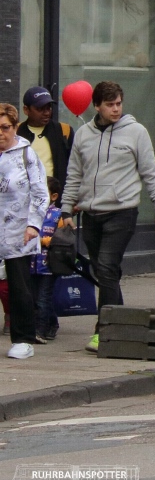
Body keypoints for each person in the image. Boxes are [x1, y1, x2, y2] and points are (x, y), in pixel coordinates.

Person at [62, 81, 155, 354]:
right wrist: (66, 208)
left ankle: (104, 331)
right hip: (91, 214)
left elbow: (150, 171)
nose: (116, 109)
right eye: (110, 105)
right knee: (104, 273)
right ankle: (123, 326)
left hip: (122, 212)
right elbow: (74, 174)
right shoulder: (83, 135)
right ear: (97, 106)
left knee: (107, 268)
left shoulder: (136, 132)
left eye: (119, 103)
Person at [0, 102, 50, 360]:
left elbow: (41, 194)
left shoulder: (26, 154)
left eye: (5, 127)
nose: (0, 133)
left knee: (19, 287)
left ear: (14, 127)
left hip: (18, 231)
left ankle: (23, 338)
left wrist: (33, 224)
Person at [18, 86, 74, 187]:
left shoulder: (64, 131)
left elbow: (75, 167)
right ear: (26, 110)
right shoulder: (16, 132)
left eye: (48, 108)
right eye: (40, 109)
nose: (47, 113)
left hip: (56, 197)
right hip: (24, 196)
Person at [32, 177, 65, 343]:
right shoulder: (30, 212)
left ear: (53, 196)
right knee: (36, 297)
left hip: (49, 265)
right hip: (31, 264)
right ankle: (52, 323)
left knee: (43, 298)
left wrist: (43, 241)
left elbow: (63, 241)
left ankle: (40, 330)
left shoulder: (58, 216)